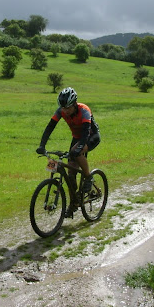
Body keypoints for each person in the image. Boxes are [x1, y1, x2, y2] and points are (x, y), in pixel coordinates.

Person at [36, 87, 100, 217]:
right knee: (70, 174)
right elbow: (50, 127)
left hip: (90, 136)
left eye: (68, 108)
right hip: (77, 138)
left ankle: (88, 177)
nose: (65, 111)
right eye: (63, 108)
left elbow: (85, 133)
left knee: (76, 152)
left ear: (75, 104)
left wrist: (78, 149)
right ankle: (73, 204)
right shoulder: (61, 111)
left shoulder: (84, 110)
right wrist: (42, 145)